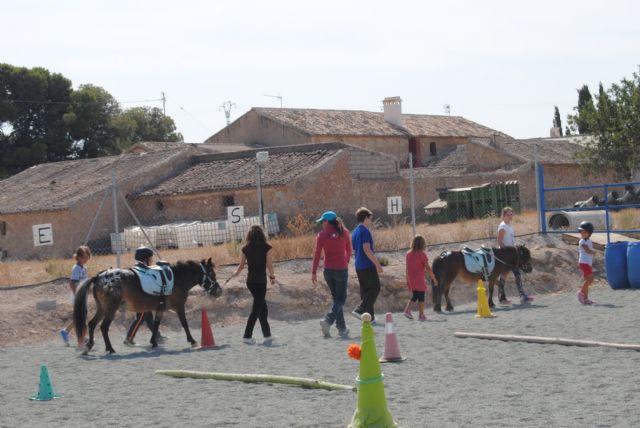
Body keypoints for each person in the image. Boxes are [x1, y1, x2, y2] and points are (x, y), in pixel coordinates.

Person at [226, 225, 276, 345]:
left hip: (250, 282)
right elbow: (269, 265)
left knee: (262, 308)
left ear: (249, 235)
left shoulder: (245, 248)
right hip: (261, 282)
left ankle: (267, 335)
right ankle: (247, 336)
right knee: (257, 309)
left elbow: (241, 266)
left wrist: (235, 273)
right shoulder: (267, 247)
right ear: (262, 234)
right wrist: (272, 277)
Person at [312, 211, 352, 338]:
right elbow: (349, 251)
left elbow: (317, 254)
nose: (321, 224)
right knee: (341, 299)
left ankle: (342, 328)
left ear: (327, 221)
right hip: (341, 269)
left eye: (322, 222)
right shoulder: (344, 232)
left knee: (336, 299)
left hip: (328, 271)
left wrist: (313, 272)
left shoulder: (321, 235)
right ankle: (328, 320)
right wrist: (346, 261)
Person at [123, 246, 167, 346]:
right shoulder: (143, 269)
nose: (151, 261)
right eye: (150, 258)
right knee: (140, 318)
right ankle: (129, 338)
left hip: (143, 299)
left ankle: (157, 336)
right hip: (141, 300)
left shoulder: (140, 267)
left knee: (149, 318)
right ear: (145, 259)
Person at [351, 207, 383, 323]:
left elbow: (354, 249)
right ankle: (360, 309)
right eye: (370, 219)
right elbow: (367, 249)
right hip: (367, 265)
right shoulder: (365, 231)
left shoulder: (354, 232)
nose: (371, 221)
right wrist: (377, 264)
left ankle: (369, 317)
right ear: (366, 218)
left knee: (366, 291)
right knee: (375, 288)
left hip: (358, 266)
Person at [496, 206, 533, 304]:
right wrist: (507, 252)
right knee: (504, 275)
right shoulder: (503, 226)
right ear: (503, 215)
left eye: (511, 214)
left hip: (511, 255)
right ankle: (503, 297)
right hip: (505, 256)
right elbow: (499, 242)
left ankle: (521, 296)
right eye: (508, 215)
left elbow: (509, 240)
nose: (510, 216)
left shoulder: (509, 226)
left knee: (516, 274)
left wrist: (514, 246)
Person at [60, 245, 91, 346]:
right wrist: (77, 296)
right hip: (78, 297)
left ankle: (66, 332)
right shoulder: (76, 268)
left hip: (83, 296)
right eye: (84, 257)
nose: (86, 259)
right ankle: (82, 338)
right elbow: (72, 283)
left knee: (81, 317)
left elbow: (84, 282)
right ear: (78, 257)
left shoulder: (84, 268)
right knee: (81, 318)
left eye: (87, 257)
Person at [404, 235, 437, 321]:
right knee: (421, 296)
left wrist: (407, 280)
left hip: (411, 278)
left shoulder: (408, 254)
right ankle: (418, 314)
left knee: (415, 295)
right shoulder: (422, 254)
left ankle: (413, 312)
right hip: (419, 278)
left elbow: (407, 268)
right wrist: (434, 279)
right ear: (423, 244)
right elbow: (428, 268)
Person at [577, 221, 596, 305]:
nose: (582, 233)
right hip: (583, 263)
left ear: (589, 233)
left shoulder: (589, 241)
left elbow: (590, 250)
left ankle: (586, 299)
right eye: (581, 232)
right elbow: (588, 250)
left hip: (588, 263)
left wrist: (593, 252)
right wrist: (594, 252)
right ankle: (581, 293)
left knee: (587, 280)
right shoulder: (582, 242)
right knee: (590, 279)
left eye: (585, 232)